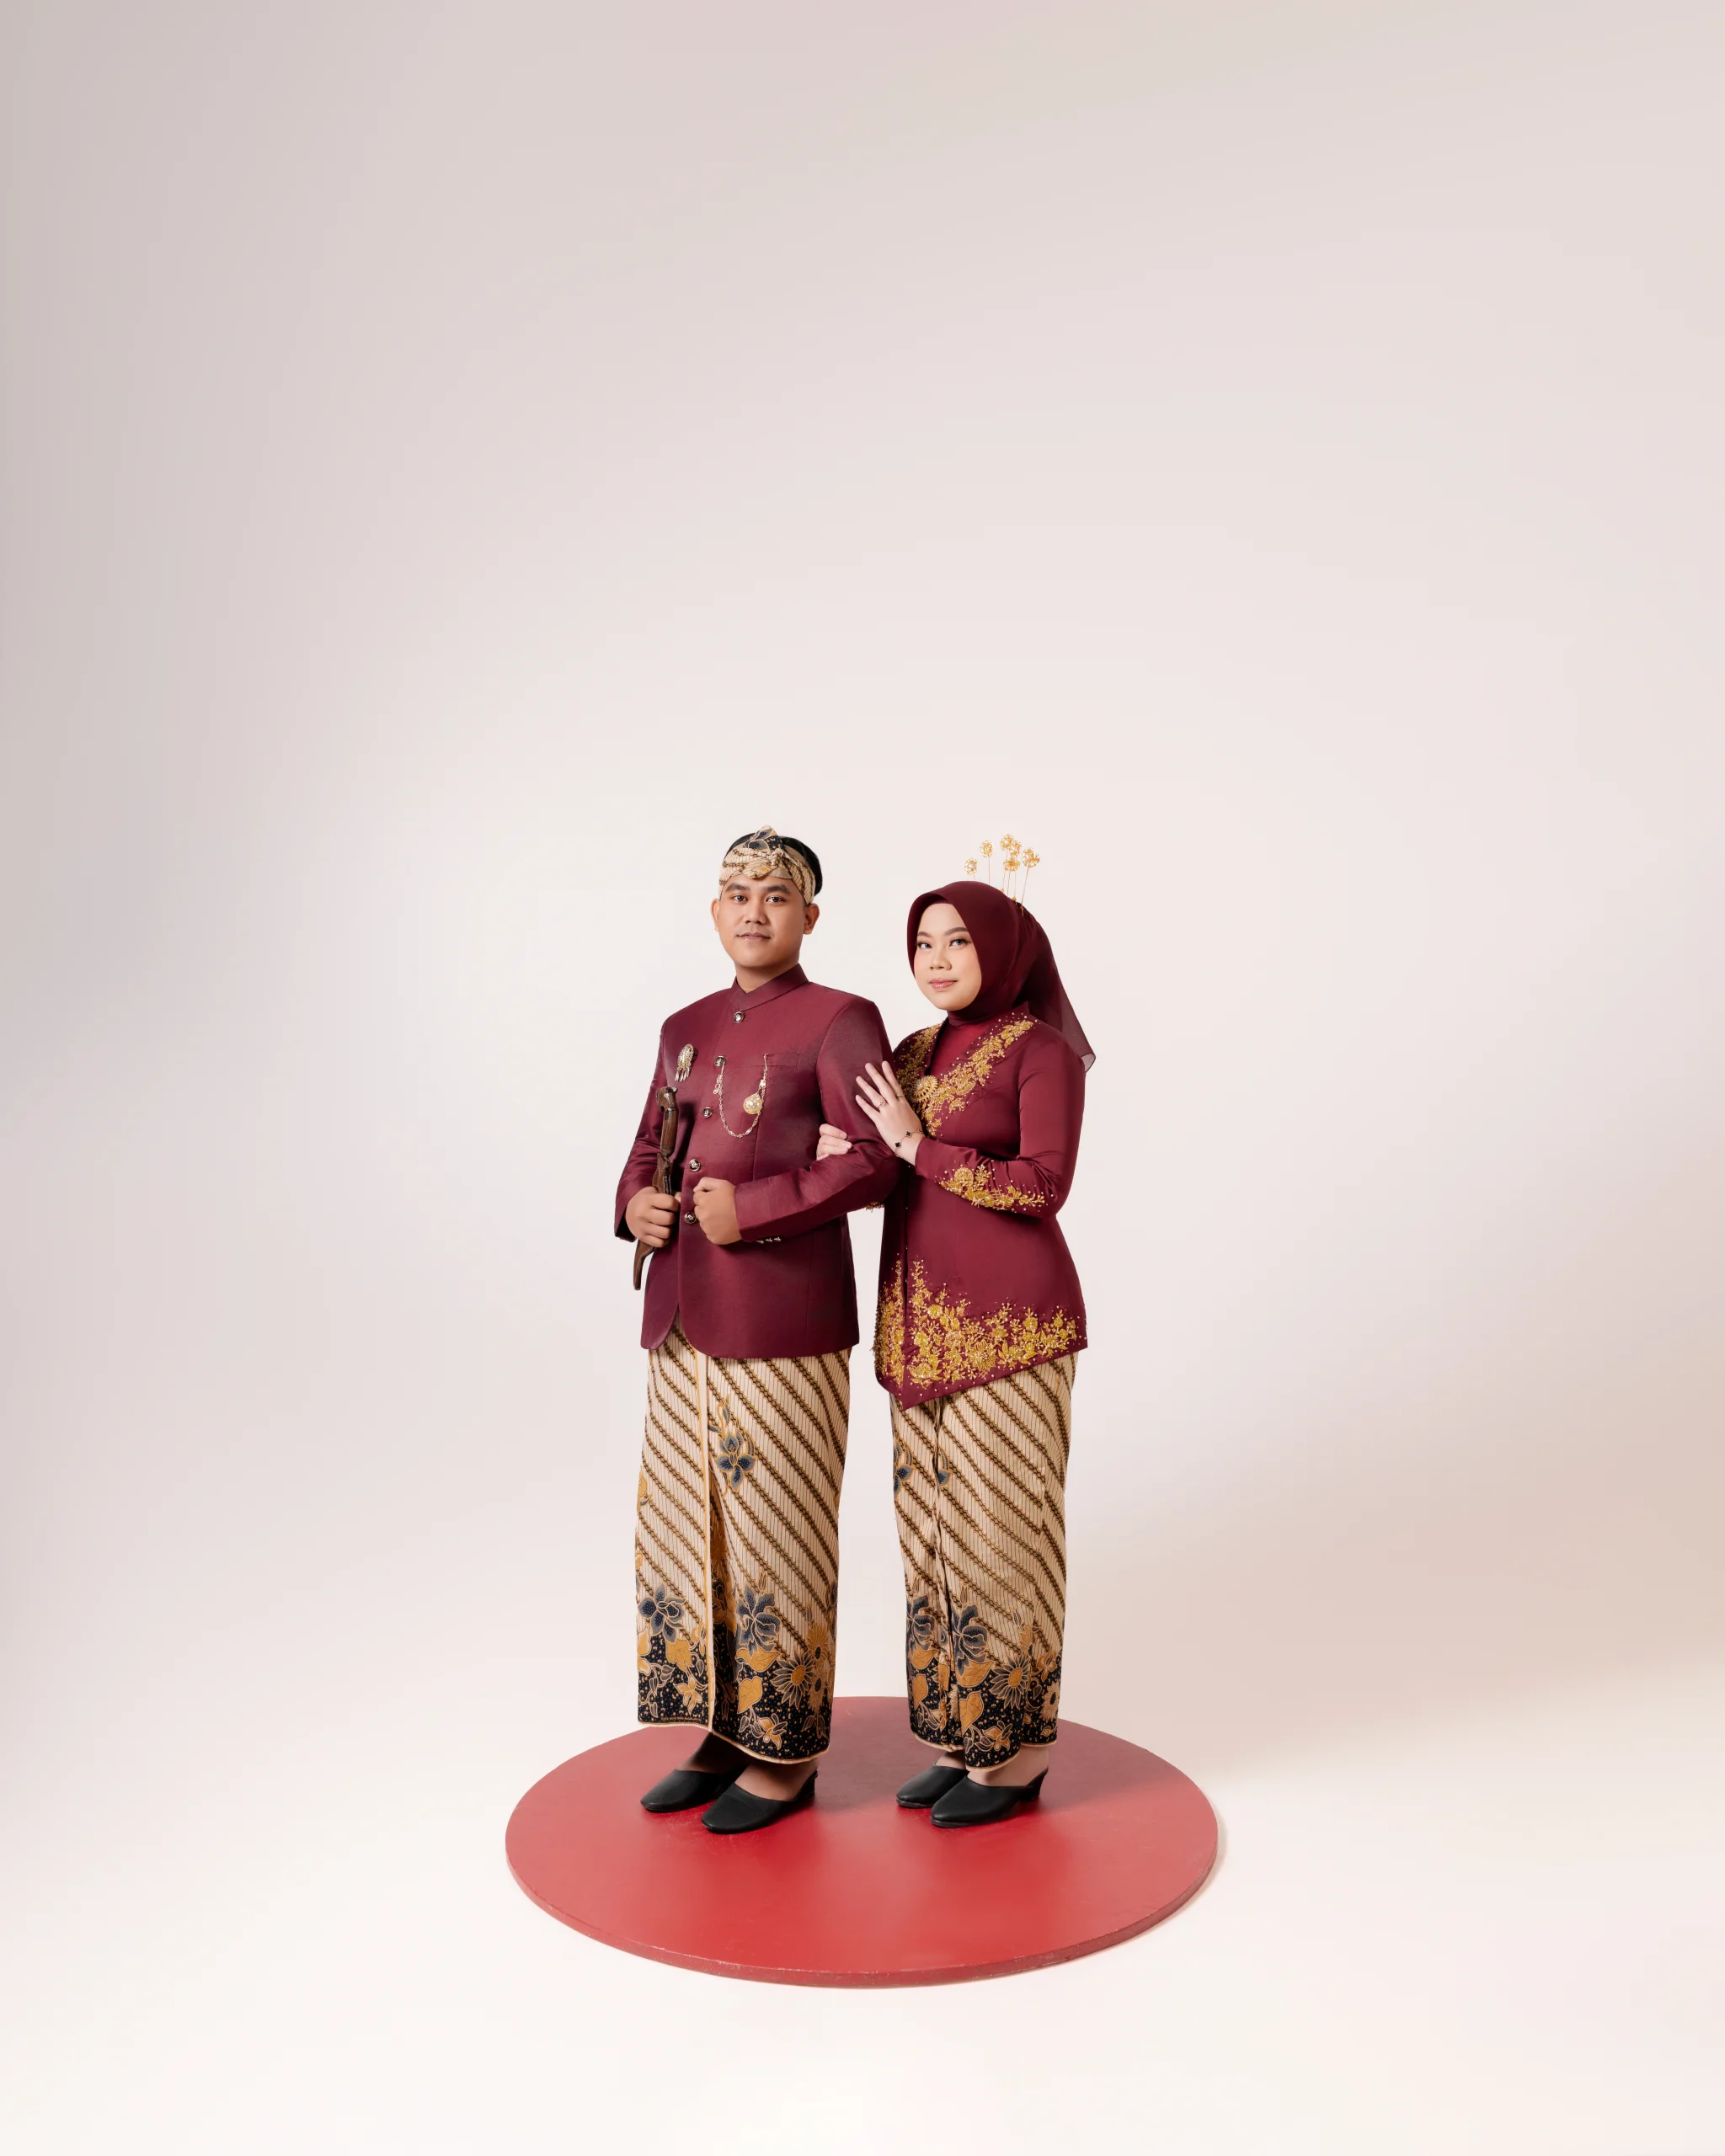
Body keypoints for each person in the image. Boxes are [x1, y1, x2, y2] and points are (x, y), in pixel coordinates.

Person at [617, 828, 897, 1833]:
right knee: (689, 1529)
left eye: (775, 895)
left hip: (784, 1323)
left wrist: (759, 1206)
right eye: (735, 891)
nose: (751, 909)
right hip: (681, 1321)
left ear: (808, 916)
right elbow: (647, 1144)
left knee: (777, 1530)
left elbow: (876, 1160)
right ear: (712, 909)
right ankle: (721, 1729)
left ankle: (784, 1752)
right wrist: (634, 1207)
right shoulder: (683, 1025)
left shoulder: (841, 1019)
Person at [818, 873, 1092, 1825]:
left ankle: (1018, 1753)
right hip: (918, 1335)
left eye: (958, 942)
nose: (935, 960)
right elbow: (884, 1169)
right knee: (932, 1539)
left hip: (1012, 1331)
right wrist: (852, 1154)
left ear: (1001, 950)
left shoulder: (1041, 1052)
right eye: (923, 943)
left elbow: (1041, 1186)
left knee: (1003, 1537)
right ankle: (962, 1737)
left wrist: (914, 1146)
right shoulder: (911, 1051)